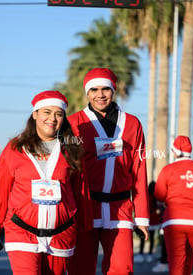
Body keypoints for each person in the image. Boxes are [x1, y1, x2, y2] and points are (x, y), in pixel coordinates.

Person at [0, 90, 92, 274]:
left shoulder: (71, 150)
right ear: (35, 114)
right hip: (21, 232)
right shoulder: (15, 149)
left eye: (58, 114)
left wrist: (85, 230)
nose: (52, 118)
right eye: (46, 112)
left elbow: (81, 193)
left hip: (61, 235)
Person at [68, 68, 150, 275]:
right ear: (87, 93)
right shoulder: (74, 123)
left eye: (105, 89)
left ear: (114, 91)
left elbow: (139, 171)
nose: (100, 94)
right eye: (94, 89)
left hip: (120, 208)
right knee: (80, 269)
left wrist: (141, 218)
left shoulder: (132, 124)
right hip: (85, 208)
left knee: (122, 269)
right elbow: (64, 172)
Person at [154, 135, 193, 275]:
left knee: (177, 261)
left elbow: (159, 194)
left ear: (176, 151)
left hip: (174, 221)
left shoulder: (168, 170)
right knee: (187, 260)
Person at [134, 181, 162, 264]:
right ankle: (150, 254)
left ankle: (141, 254)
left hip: (148, 219)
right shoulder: (155, 197)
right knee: (152, 238)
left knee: (143, 237)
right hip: (155, 219)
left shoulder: (147, 197)